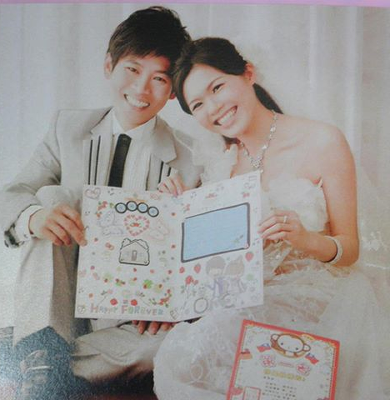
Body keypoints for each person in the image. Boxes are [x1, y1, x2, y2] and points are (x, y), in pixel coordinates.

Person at [154, 37, 390, 400]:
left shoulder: (322, 141)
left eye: (217, 87)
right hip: (248, 300)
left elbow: (350, 249)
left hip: (320, 298)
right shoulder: (221, 162)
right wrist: (182, 209)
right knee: (179, 358)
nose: (213, 108)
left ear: (248, 74)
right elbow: (212, 266)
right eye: (198, 105)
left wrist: (305, 239)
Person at [0, 7, 201, 399]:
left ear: (174, 90)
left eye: (159, 78)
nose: (142, 88)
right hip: (57, 298)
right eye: (132, 69)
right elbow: (13, 192)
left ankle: (41, 364)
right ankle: (43, 346)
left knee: (169, 346)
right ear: (109, 65)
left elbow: (198, 259)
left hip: (127, 320)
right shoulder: (68, 127)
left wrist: (170, 301)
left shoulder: (190, 160)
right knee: (50, 198)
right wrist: (34, 218)